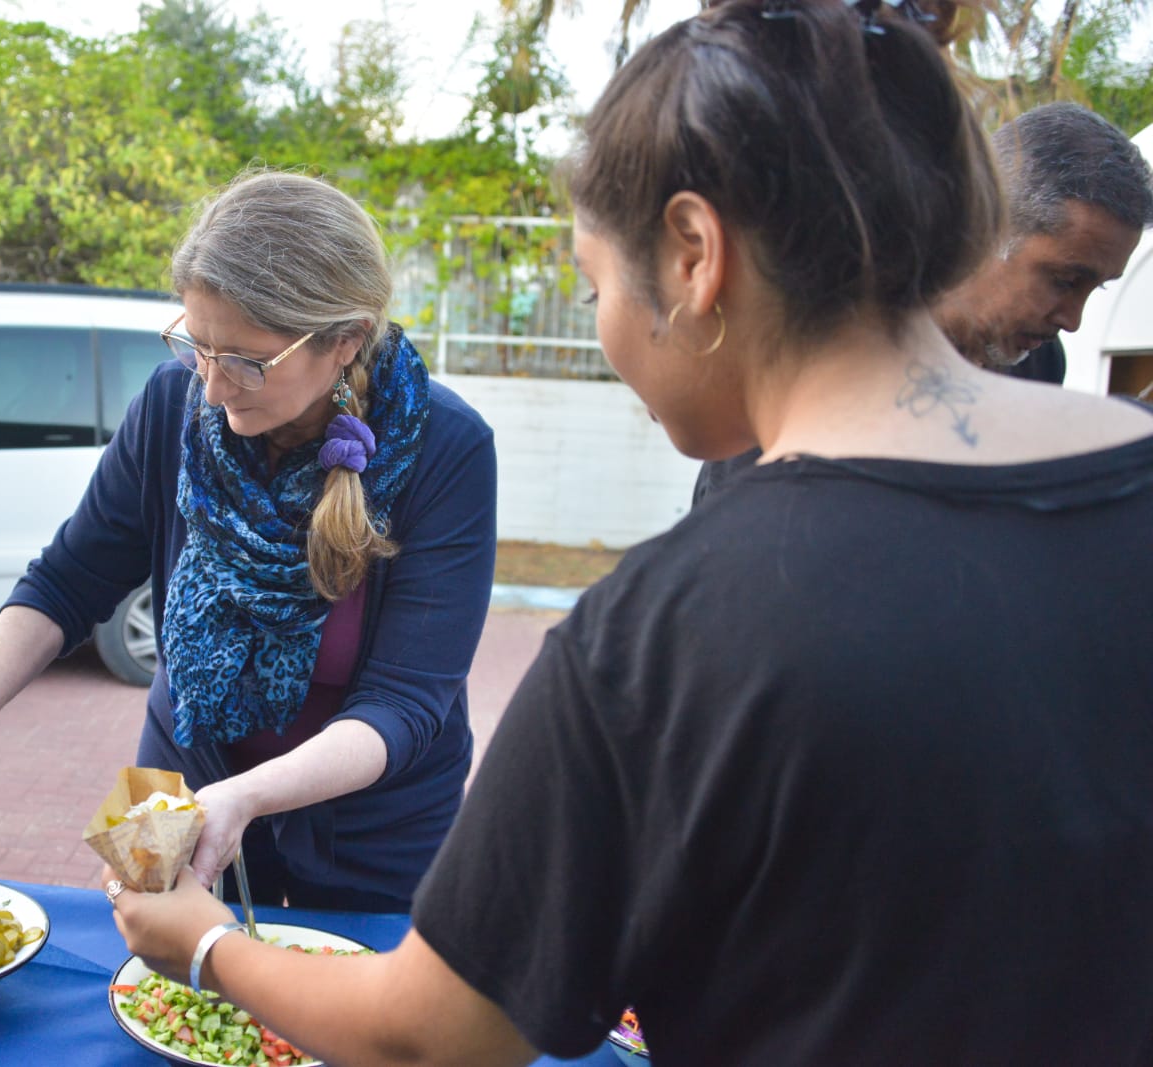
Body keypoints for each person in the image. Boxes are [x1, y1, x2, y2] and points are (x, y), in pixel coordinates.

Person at [103, 2, 1153, 1063]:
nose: (606, 333)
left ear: (693, 253)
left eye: (597, 283)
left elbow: (431, 1039)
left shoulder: (666, 632)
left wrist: (203, 948)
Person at [0, 170, 499, 913]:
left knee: (343, 1019)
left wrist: (246, 796)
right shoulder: (171, 406)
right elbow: (66, 581)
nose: (210, 387)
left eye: (245, 360)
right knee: (143, 991)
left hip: (374, 835)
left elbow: (404, 704)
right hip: (172, 783)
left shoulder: (447, 448)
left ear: (344, 341)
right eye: (194, 345)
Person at [691, 98, 1153, 506]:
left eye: (1099, 288)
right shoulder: (829, 340)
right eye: (1066, 280)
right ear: (984, 220)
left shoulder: (1040, 362)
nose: (1073, 320)